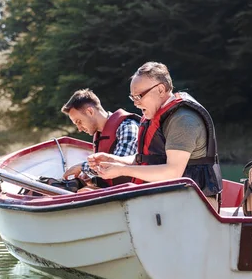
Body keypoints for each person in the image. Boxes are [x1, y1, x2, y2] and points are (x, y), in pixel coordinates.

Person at [87, 62, 222, 204]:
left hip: (194, 204)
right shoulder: (157, 115)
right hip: (171, 199)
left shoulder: (183, 120)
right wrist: (113, 159)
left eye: (139, 96)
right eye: (132, 97)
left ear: (160, 90)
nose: (135, 103)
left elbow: (173, 173)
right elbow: (150, 158)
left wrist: (123, 170)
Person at [61, 89, 142, 188]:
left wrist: (82, 167)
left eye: (79, 121)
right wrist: (91, 178)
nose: (79, 129)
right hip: (114, 193)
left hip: (134, 192)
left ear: (90, 111)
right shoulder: (99, 135)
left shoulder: (127, 126)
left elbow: (118, 164)